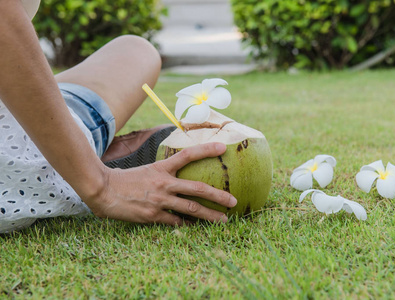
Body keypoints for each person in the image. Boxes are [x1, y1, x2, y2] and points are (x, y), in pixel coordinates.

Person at [0, 0, 237, 233]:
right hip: (15, 166)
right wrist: (101, 184)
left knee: (134, 49)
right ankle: (80, 160)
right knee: (136, 50)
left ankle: (78, 159)